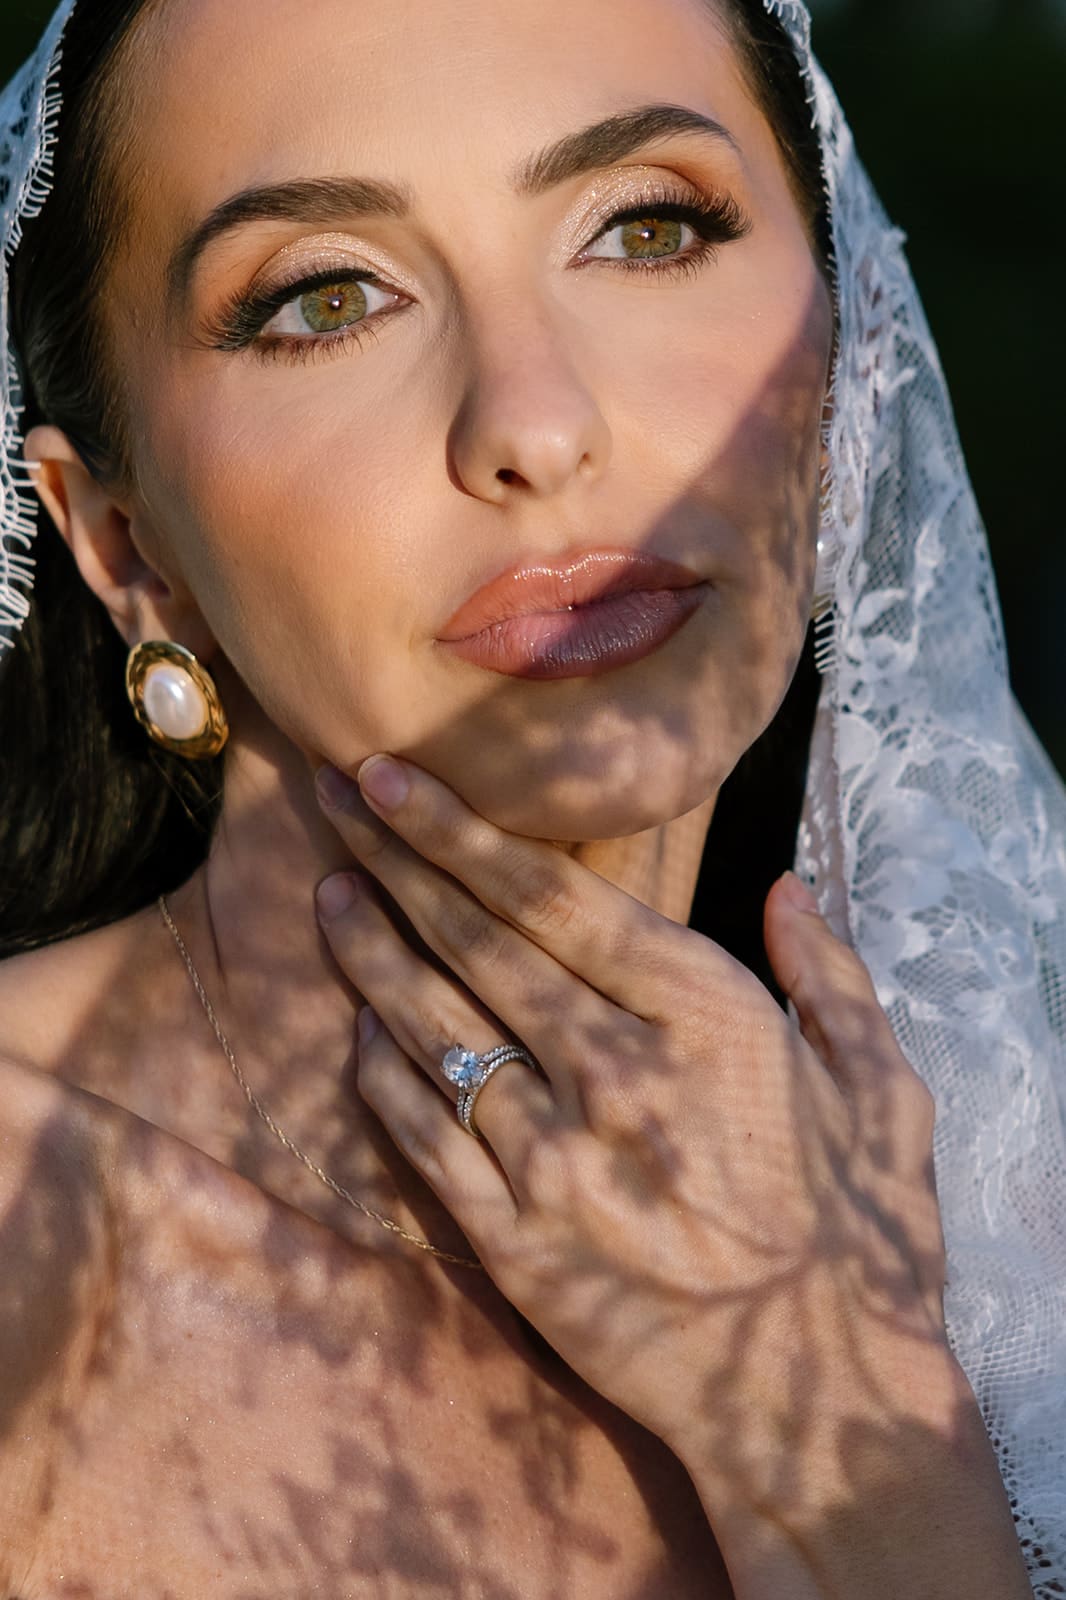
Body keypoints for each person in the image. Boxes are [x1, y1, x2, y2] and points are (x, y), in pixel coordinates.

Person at [0, 0, 1062, 1593]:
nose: (535, 424)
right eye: (326, 298)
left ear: (842, 352)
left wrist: (839, 1414)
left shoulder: (1011, 1227)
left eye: (643, 227)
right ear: (126, 547)